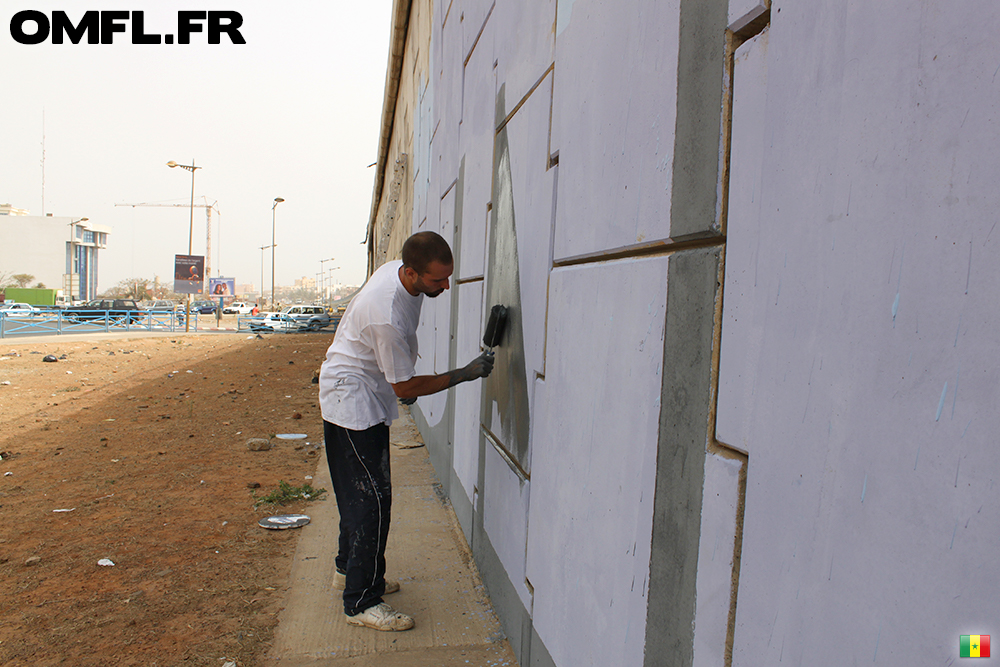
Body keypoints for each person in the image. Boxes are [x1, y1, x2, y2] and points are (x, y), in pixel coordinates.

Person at [318, 231, 494, 632]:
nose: (445, 286)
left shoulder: (397, 276)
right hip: (352, 403)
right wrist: (462, 374)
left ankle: (350, 572)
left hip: (361, 392)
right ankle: (361, 601)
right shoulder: (384, 313)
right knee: (371, 502)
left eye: (448, 277)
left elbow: (399, 373)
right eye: (437, 281)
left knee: (358, 496)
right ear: (412, 273)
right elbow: (405, 387)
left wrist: (403, 378)